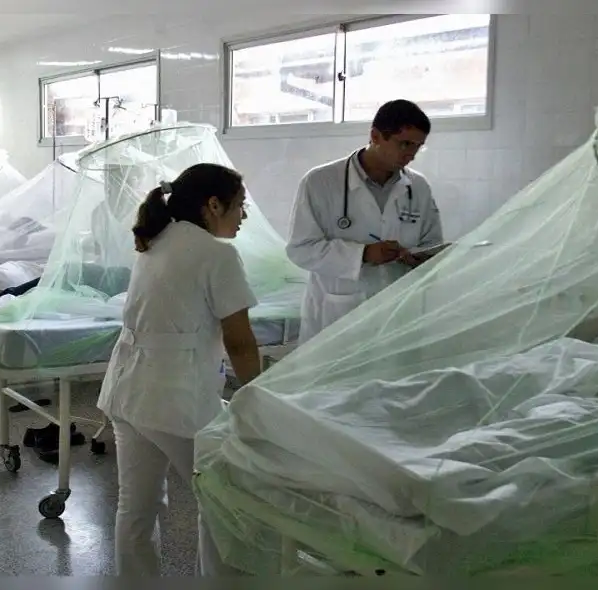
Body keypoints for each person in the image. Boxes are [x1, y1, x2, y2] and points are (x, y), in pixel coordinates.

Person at [95, 163, 262, 577]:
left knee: (136, 507)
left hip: (127, 389)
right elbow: (239, 341)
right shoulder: (217, 254)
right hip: (174, 398)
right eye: (240, 206)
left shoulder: (157, 239)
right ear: (213, 205)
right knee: (225, 501)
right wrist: (259, 397)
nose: (244, 216)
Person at [286, 99, 446, 344]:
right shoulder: (321, 182)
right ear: (375, 136)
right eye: (404, 143)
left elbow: (432, 242)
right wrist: (362, 254)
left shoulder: (418, 187)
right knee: (335, 377)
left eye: (418, 146)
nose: (411, 154)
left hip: (399, 312)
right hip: (338, 313)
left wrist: (421, 257)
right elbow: (300, 249)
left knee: (393, 377)